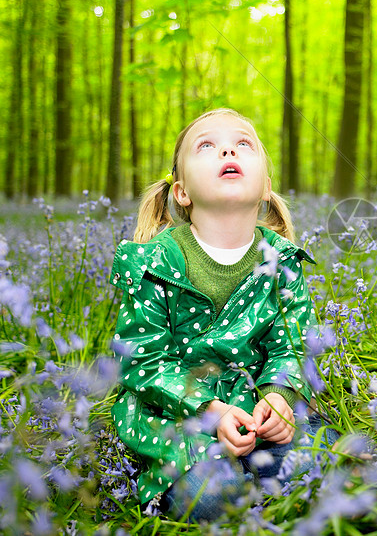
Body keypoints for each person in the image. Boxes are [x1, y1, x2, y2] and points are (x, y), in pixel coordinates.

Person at [109, 108, 336, 521]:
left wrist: (279, 398)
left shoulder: (281, 260)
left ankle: (268, 476)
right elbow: (142, 363)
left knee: (326, 467)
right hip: (177, 419)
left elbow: (291, 344)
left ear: (266, 188)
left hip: (256, 413)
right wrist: (211, 413)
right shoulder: (152, 263)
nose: (228, 148)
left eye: (243, 143)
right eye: (207, 145)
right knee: (216, 499)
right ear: (181, 192)